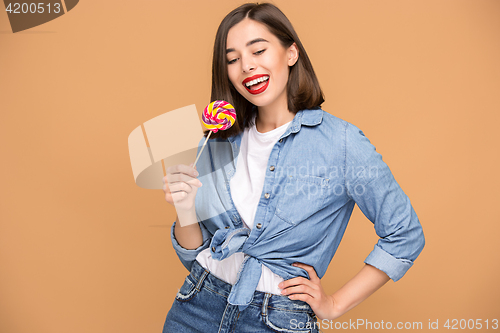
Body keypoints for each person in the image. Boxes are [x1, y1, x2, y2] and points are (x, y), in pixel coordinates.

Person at [161, 3, 425, 332]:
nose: (246, 66)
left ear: (291, 53)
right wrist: (185, 209)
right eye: (232, 59)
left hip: (277, 319)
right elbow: (195, 257)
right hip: (197, 307)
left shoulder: (340, 143)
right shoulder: (217, 142)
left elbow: (404, 235)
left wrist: (334, 304)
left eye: (258, 50)